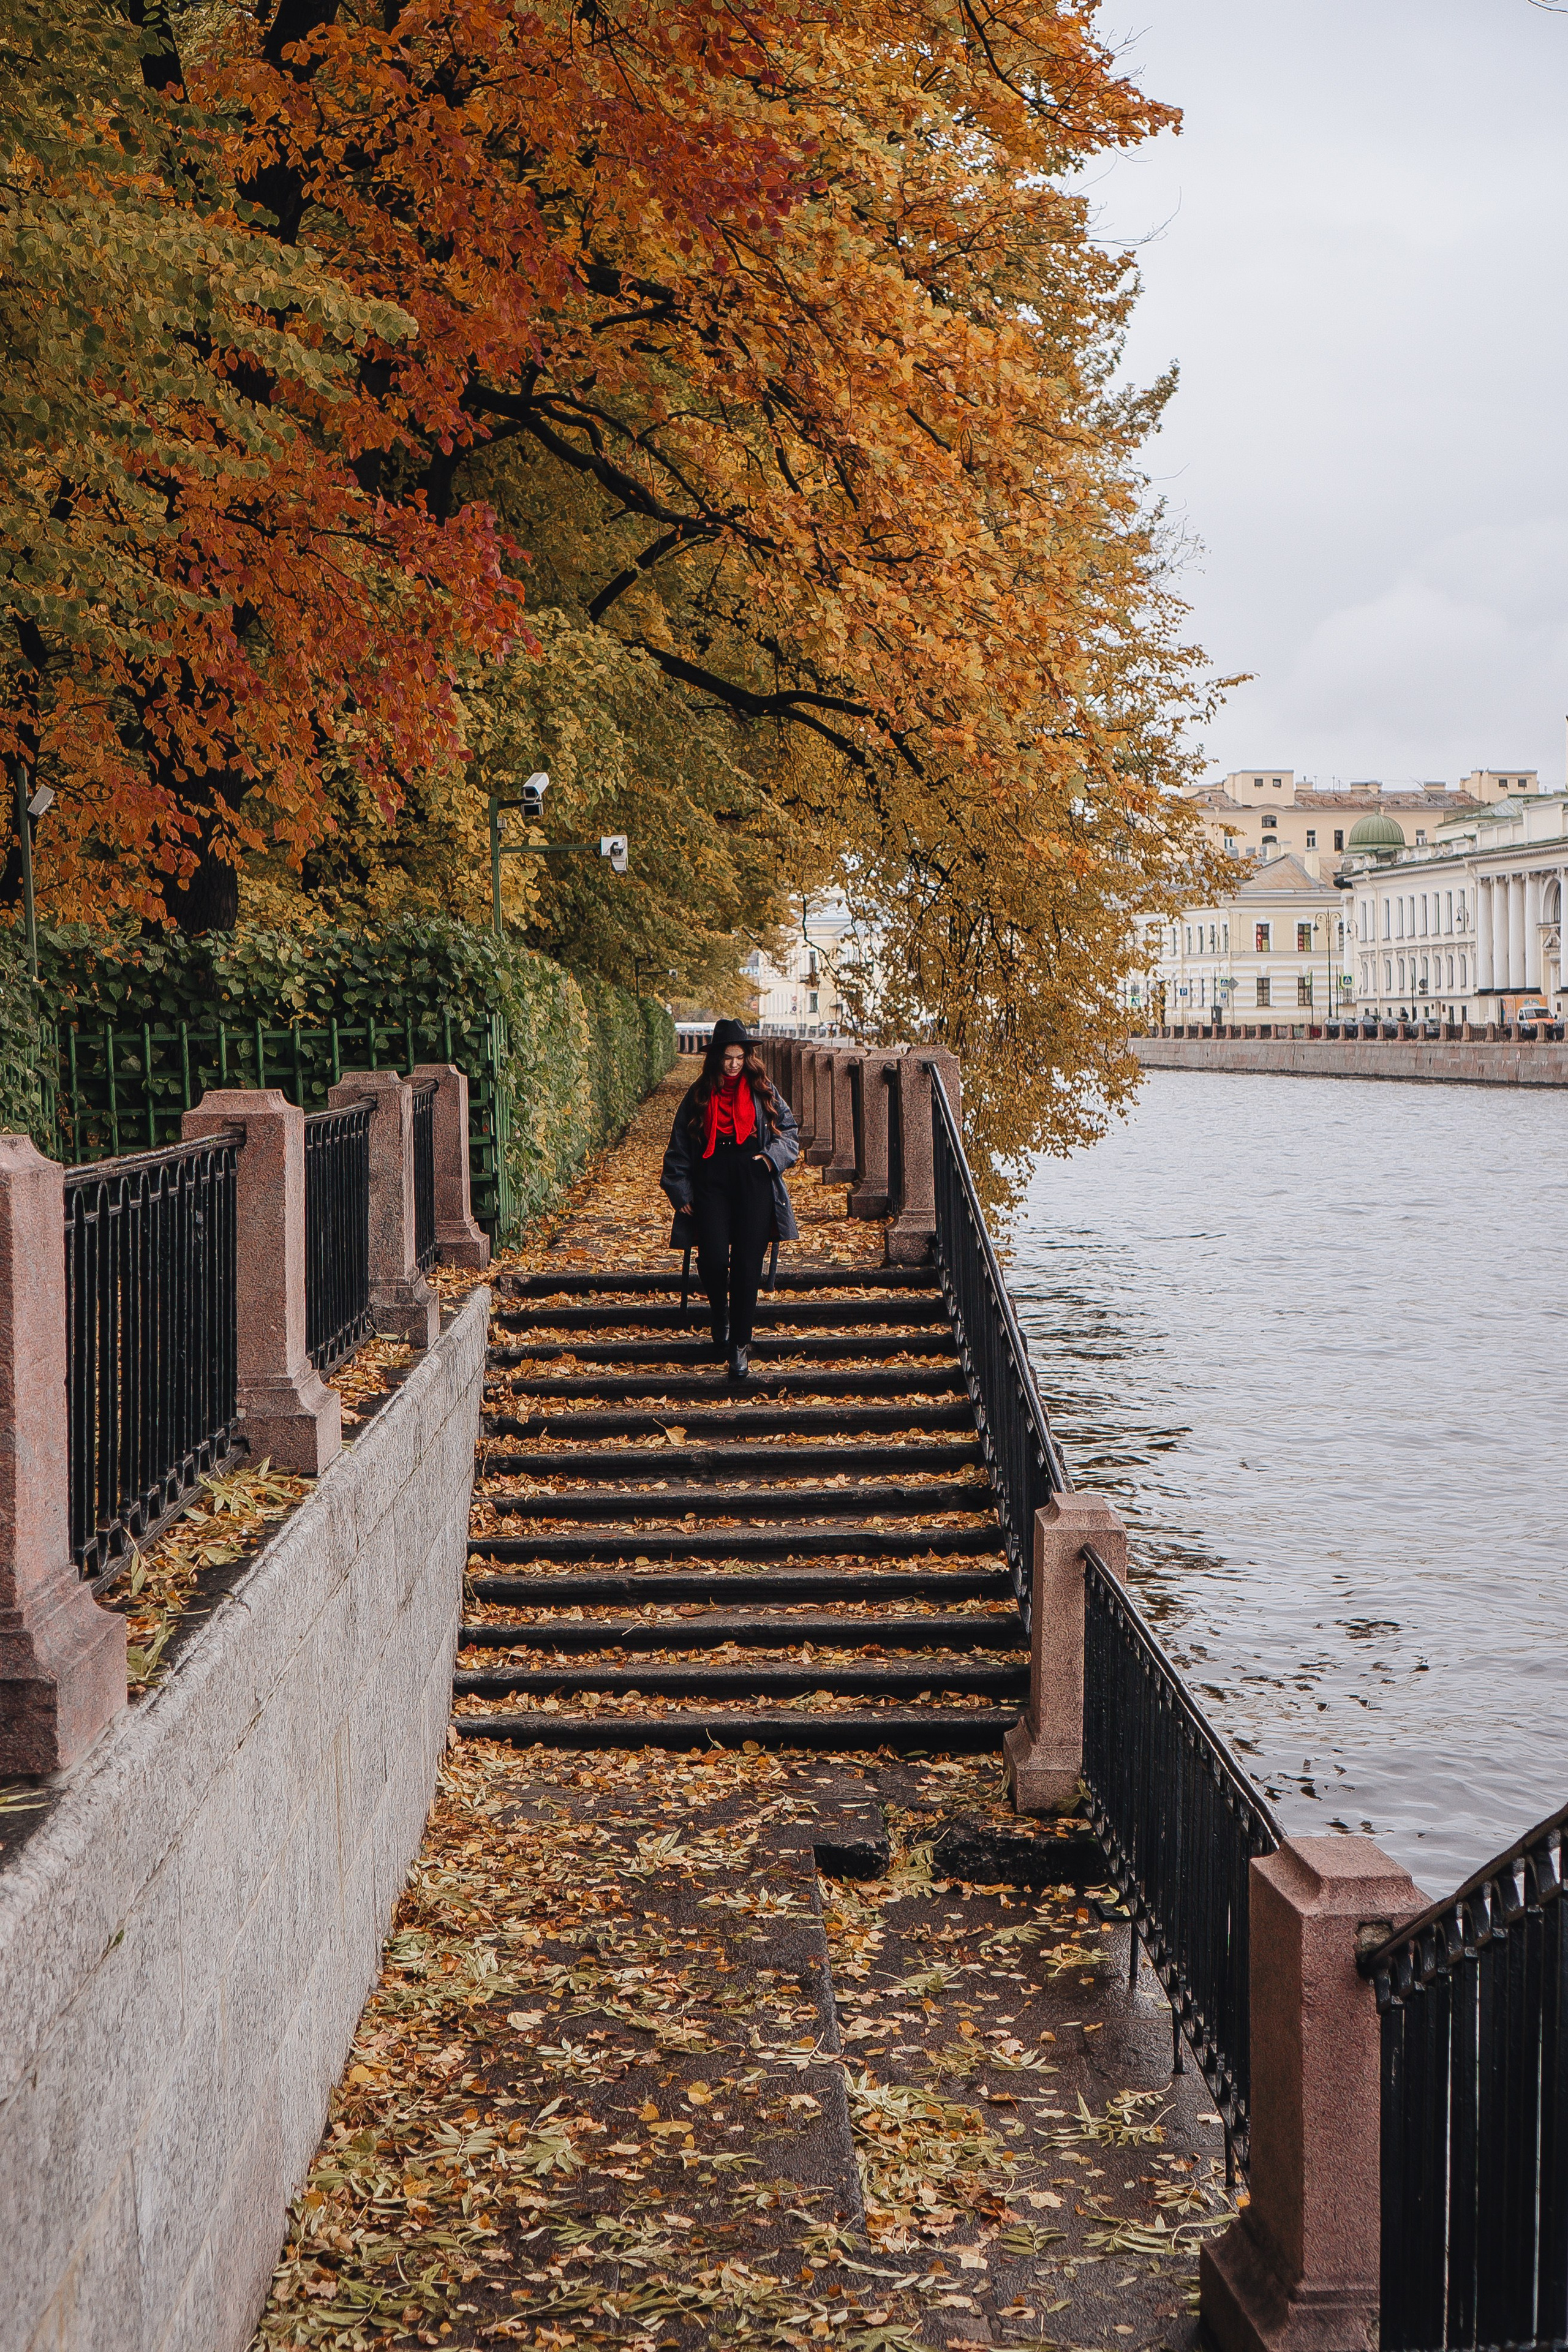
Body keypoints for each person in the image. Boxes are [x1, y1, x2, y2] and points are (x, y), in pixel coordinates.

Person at [660, 1020, 799, 1381]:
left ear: (747, 1057)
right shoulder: (699, 1094)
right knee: (713, 1257)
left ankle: (739, 1345)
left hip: (752, 1177)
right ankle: (719, 1313)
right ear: (716, 1059)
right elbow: (677, 1150)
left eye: (739, 1057)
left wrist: (770, 1158)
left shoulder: (763, 1089)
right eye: (727, 1058)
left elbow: (790, 1134)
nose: (734, 1064)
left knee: (747, 1265)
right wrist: (682, 1192)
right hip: (711, 1179)